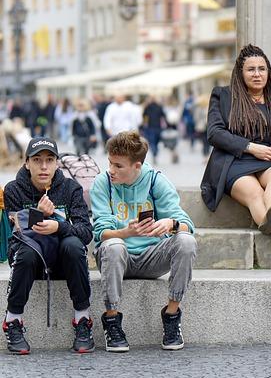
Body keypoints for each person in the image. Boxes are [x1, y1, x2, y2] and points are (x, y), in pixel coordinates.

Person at [90, 131, 197, 352]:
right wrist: (125, 233)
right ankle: (112, 321)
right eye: (110, 163)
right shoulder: (103, 183)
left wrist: (171, 224)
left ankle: (171, 316)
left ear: (137, 166)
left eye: (118, 166)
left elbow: (188, 226)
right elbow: (100, 233)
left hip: (152, 257)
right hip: (117, 257)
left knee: (185, 241)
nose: (111, 170)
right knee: (113, 245)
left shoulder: (156, 180)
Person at [201, 44, 271, 246]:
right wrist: (251, 147)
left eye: (262, 69)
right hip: (234, 161)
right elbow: (214, 133)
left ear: (268, 72)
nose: (257, 74)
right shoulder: (223, 95)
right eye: (251, 69)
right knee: (255, 193)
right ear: (240, 73)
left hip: (269, 159)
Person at [3, 137, 94, 354]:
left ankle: (83, 320)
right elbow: (17, 234)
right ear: (27, 163)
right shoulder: (14, 190)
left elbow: (86, 233)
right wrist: (38, 214)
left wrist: (58, 226)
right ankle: (13, 321)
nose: (43, 166)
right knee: (26, 251)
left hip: (64, 260)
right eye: (37, 160)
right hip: (30, 261)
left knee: (73, 245)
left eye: (49, 160)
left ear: (56, 163)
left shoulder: (71, 189)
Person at [141, 96, 166, 164]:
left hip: (150, 127)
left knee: (152, 142)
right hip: (158, 127)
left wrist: (144, 123)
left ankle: (154, 152)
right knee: (156, 141)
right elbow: (163, 115)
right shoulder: (159, 106)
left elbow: (144, 116)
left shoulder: (147, 107)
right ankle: (155, 152)